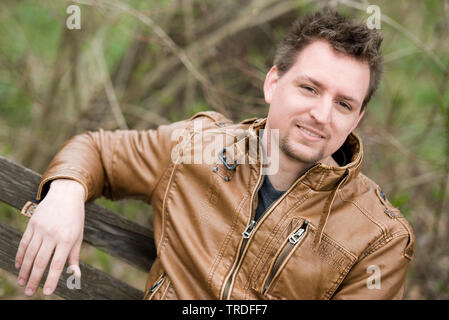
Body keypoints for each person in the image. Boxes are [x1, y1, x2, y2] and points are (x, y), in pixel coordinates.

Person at [15, 9, 415, 299]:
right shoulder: (196, 147)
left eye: (343, 104)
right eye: (309, 88)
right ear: (273, 83)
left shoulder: (379, 238)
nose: (321, 115)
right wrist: (66, 191)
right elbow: (98, 151)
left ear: (357, 118)